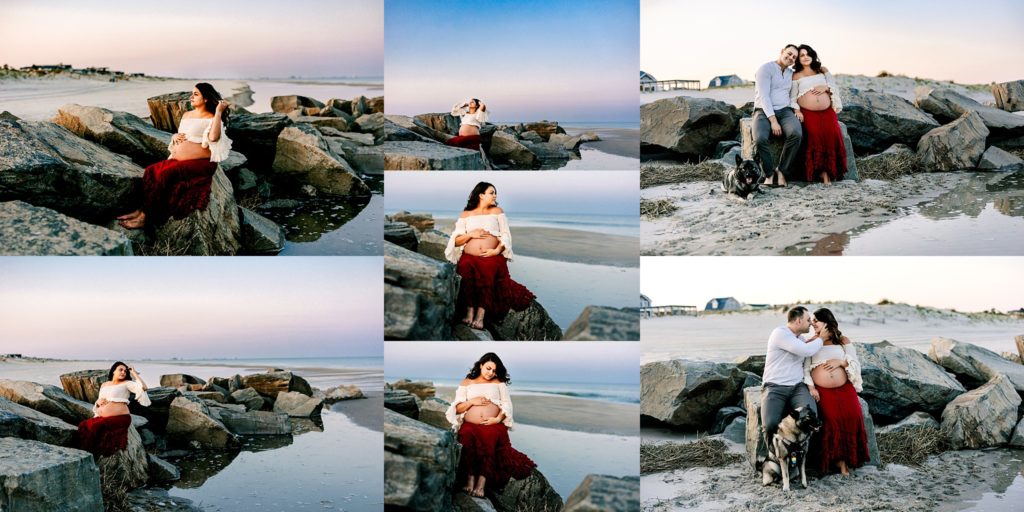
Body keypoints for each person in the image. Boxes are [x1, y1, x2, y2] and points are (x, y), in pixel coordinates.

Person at [117, 83, 232, 229]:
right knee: (151, 170)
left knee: (165, 174)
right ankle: (141, 210)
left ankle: (146, 217)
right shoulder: (186, 115)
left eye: (196, 94)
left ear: (206, 99)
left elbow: (214, 138)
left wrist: (218, 112)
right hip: (179, 159)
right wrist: (175, 135)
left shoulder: (212, 118)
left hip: (201, 163)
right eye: (192, 93)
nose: (191, 97)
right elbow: (186, 134)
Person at [444, 182, 535, 330]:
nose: (495, 195)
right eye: (491, 192)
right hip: (470, 256)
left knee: (488, 270)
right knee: (465, 269)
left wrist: (497, 251)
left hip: (492, 255)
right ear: (481, 195)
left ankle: (480, 315)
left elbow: (506, 234)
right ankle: (469, 310)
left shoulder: (497, 211)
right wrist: (470, 234)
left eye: (495, 193)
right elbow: (456, 240)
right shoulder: (466, 214)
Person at [445, 352, 536, 497]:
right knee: (465, 436)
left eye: (494, 370)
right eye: (488, 368)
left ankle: (481, 484)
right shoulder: (467, 382)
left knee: (489, 438)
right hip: (471, 425)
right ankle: (470, 479)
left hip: (493, 424)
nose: (491, 373)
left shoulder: (498, 382)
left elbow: (507, 404)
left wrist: (498, 419)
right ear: (481, 365)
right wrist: (471, 402)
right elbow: (457, 408)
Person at [804, 308, 869, 475]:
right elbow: (804, 369)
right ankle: (839, 463)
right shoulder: (811, 342)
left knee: (853, 416)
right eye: (811, 321)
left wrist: (840, 362)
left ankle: (848, 460)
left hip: (844, 388)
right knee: (832, 421)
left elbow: (854, 363)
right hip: (823, 391)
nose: (812, 324)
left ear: (827, 322)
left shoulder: (842, 340)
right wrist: (811, 387)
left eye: (816, 320)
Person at [761, 306, 823, 442]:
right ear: (799, 321)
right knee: (770, 424)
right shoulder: (780, 333)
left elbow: (808, 348)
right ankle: (775, 457)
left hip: (798, 387)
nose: (811, 323)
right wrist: (822, 338)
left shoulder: (800, 339)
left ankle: (798, 454)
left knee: (811, 419)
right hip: (775, 387)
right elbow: (807, 351)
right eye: (808, 320)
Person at [791, 45, 846, 184]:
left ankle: (830, 172)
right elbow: (792, 97)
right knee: (815, 134)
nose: (805, 57)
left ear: (812, 55)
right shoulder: (795, 75)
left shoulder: (822, 70)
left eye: (808, 54)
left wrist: (825, 87)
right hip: (808, 112)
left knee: (832, 132)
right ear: (798, 58)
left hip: (827, 111)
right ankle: (820, 173)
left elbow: (834, 86)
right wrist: (796, 110)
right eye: (802, 55)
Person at [75, 361, 151, 458]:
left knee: (96, 428)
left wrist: (133, 372)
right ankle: (84, 455)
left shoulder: (127, 383)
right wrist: (98, 402)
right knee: (84, 425)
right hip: (103, 417)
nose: (123, 372)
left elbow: (144, 388)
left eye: (125, 371)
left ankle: (91, 456)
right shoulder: (104, 384)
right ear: (113, 371)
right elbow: (99, 400)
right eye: (120, 370)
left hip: (120, 418)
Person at [753, 44, 802, 187]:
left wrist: (797, 109)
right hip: (763, 110)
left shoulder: (790, 73)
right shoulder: (765, 69)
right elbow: (764, 97)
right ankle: (769, 174)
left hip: (785, 111)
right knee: (760, 139)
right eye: (789, 53)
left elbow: (797, 91)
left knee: (796, 134)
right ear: (782, 51)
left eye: (794, 57)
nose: (791, 58)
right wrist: (773, 121)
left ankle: (781, 172)